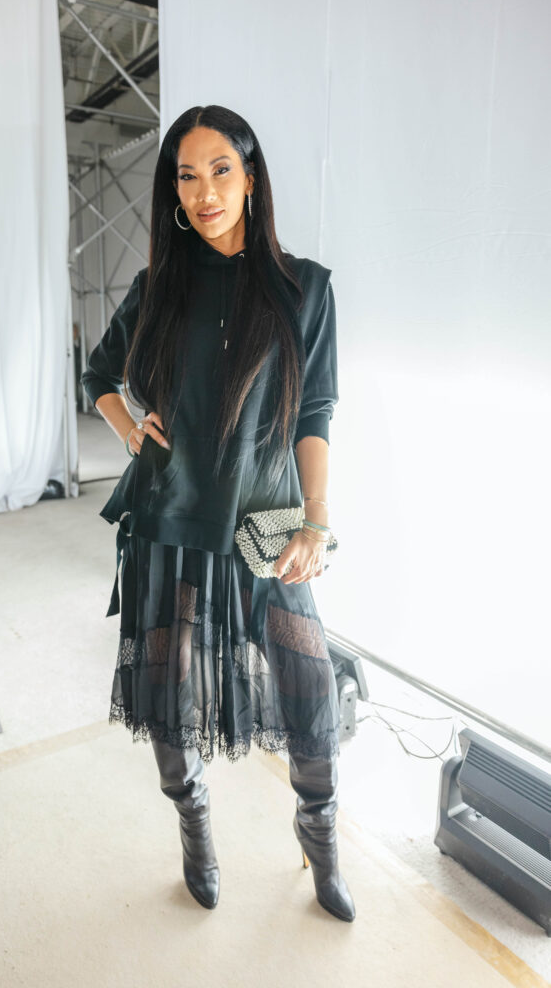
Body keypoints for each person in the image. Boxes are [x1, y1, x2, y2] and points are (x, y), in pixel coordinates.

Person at [81, 105, 355, 922]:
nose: (203, 192)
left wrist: (315, 518)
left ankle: (320, 837)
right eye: (186, 176)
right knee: (167, 687)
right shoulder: (155, 289)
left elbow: (315, 409)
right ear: (173, 191)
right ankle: (194, 830)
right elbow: (99, 373)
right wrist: (130, 428)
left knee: (308, 689)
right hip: (169, 517)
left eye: (220, 170)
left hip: (264, 521)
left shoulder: (304, 287)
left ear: (250, 177)